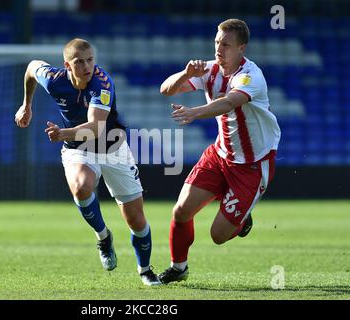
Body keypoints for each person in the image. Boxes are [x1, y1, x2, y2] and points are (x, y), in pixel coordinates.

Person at [14, 38, 161, 286]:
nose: (87, 66)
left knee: (136, 219)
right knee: (82, 187)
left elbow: (95, 128)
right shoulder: (53, 79)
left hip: (113, 148)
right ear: (67, 65)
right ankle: (103, 237)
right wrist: (27, 105)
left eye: (90, 60)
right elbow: (31, 68)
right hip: (78, 149)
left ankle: (145, 269)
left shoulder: (102, 84)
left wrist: (62, 133)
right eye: (79, 62)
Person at [158, 19, 281, 284]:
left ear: (241, 48)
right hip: (220, 155)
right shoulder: (210, 70)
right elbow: (166, 89)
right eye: (217, 42)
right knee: (181, 211)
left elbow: (228, 102)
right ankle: (179, 267)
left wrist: (194, 113)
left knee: (218, 236)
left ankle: (242, 218)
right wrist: (186, 74)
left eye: (226, 45)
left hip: (251, 165)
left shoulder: (251, 76)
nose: (218, 49)